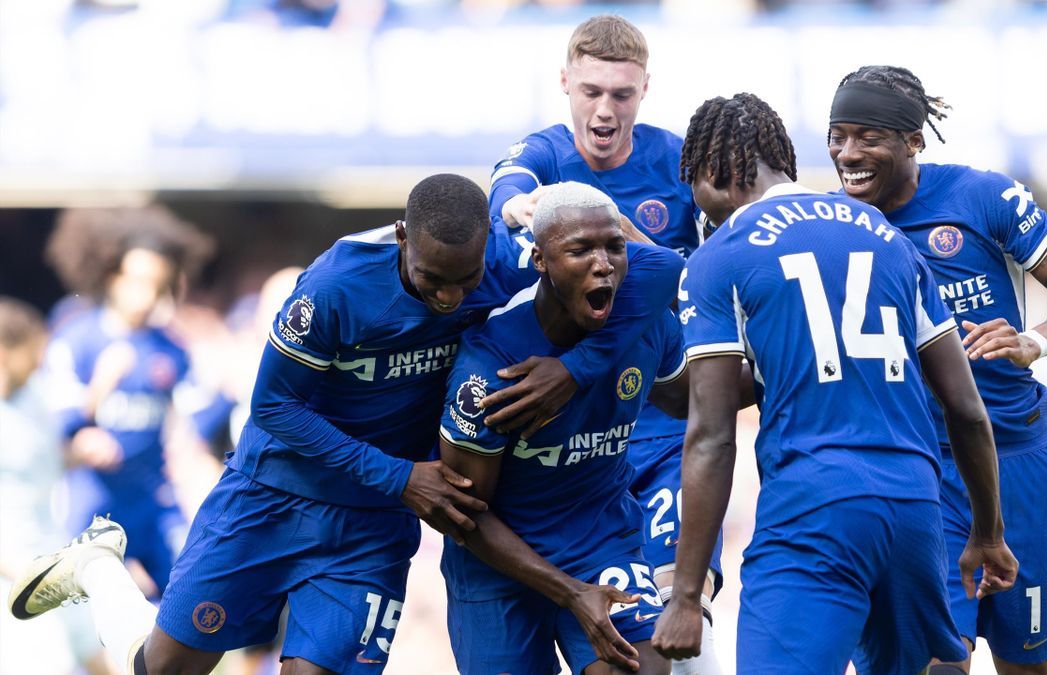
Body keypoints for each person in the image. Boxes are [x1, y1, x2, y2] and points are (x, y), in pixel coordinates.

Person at [9, 174, 683, 675]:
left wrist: (579, 366)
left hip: (370, 522)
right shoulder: (333, 288)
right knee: (162, 668)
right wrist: (399, 474)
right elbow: (273, 407)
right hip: (275, 496)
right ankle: (98, 567)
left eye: (464, 280)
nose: (450, 296)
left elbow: (662, 271)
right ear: (400, 239)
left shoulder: (507, 259)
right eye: (431, 279)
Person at [651, 93, 1018, 674]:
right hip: (915, 506)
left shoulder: (720, 256)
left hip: (814, 509)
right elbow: (967, 408)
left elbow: (712, 435)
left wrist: (686, 596)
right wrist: (988, 533)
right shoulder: (886, 234)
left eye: (691, 183)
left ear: (714, 173)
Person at [824, 66, 1047, 675]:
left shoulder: (983, 197)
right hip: (919, 475)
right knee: (932, 665)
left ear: (913, 141)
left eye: (868, 136)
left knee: (1027, 664)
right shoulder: (834, 228)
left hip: (1019, 464)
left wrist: (1034, 340)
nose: (848, 154)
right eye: (837, 135)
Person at [486, 17, 723, 670]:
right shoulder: (541, 155)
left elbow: (706, 280)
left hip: (663, 427)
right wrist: (521, 210)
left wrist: (636, 250)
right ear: (564, 82)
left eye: (621, 94)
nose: (604, 109)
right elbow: (506, 192)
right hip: (576, 443)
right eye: (590, 91)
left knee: (682, 614)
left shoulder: (678, 165)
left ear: (646, 88)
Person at [439, 182, 690, 675]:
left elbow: (685, 400)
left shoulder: (646, 325)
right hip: (499, 564)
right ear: (540, 261)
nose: (603, 264)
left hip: (601, 538)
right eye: (579, 250)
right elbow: (463, 516)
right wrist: (571, 593)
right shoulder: (489, 369)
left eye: (614, 247)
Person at [40, 207, 213, 596]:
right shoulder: (75, 340)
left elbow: (190, 430)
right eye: (137, 280)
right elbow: (55, 429)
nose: (146, 296)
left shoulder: (172, 350)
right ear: (110, 274)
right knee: (79, 608)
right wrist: (94, 404)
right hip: (90, 506)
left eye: (158, 284)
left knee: (187, 599)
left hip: (152, 504)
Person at [0, 298, 110, 675]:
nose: (39, 359)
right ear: (5, 353)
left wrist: (77, 453)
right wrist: (14, 567)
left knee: (103, 656)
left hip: (52, 554)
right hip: (13, 573)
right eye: (33, 350)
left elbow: (40, 460)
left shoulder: (33, 397)